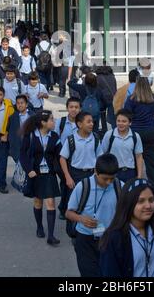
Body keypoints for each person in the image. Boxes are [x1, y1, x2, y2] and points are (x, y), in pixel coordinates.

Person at [66, 154, 122, 277]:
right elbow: (68, 213)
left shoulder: (120, 187)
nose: (108, 182)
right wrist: (81, 219)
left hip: (110, 240)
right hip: (86, 240)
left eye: (112, 178)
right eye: (105, 178)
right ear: (96, 171)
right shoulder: (83, 186)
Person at [100, 178, 154, 278]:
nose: (148, 206)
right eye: (141, 201)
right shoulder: (114, 238)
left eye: (151, 200)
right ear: (128, 203)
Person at [20, 110, 61, 246]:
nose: (53, 122)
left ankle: (51, 235)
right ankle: (39, 226)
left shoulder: (54, 136)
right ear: (43, 123)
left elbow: (60, 156)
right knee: (38, 202)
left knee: (50, 203)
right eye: (51, 120)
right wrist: (29, 170)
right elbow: (23, 154)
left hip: (49, 174)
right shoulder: (30, 135)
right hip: (35, 173)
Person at [124, 78, 154, 195]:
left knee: (135, 161)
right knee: (151, 162)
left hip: (136, 133)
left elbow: (126, 115)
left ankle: (135, 186)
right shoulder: (153, 98)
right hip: (150, 132)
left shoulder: (131, 99)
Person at [59, 112, 103, 190]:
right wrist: (67, 177)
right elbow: (62, 158)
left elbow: (99, 157)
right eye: (88, 122)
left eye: (92, 122)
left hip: (91, 174)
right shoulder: (71, 139)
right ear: (79, 124)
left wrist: (97, 174)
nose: (92, 124)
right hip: (75, 175)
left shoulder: (95, 138)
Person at [54, 97, 81, 219]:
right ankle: (63, 208)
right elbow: (54, 138)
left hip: (77, 158)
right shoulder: (61, 122)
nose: (74, 110)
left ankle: (74, 207)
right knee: (65, 183)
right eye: (71, 107)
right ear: (67, 108)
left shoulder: (82, 123)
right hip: (62, 158)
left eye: (76, 107)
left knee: (75, 184)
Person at [101, 109, 143, 183]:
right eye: (118, 121)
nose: (120, 123)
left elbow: (139, 157)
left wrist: (139, 176)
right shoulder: (109, 135)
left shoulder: (135, 136)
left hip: (130, 173)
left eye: (124, 121)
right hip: (113, 172)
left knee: (129, 194)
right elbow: (101, 154)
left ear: (130, 123)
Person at [7, 95, 34, 163]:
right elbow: (9, 131)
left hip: (31, 147)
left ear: (26, 104)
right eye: (18, 103)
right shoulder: (12, 117)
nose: (20, 105)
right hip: (17, 147)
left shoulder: (33, 116)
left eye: (22, 103)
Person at [96, 63, 117, 132]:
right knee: (113, 117)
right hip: (112, 98)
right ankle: (115, 131)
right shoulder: (112, 76)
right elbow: (114, 88)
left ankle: (104, 129)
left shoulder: (98, 77)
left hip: (102, 99)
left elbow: (97, 89)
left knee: (102, 114)